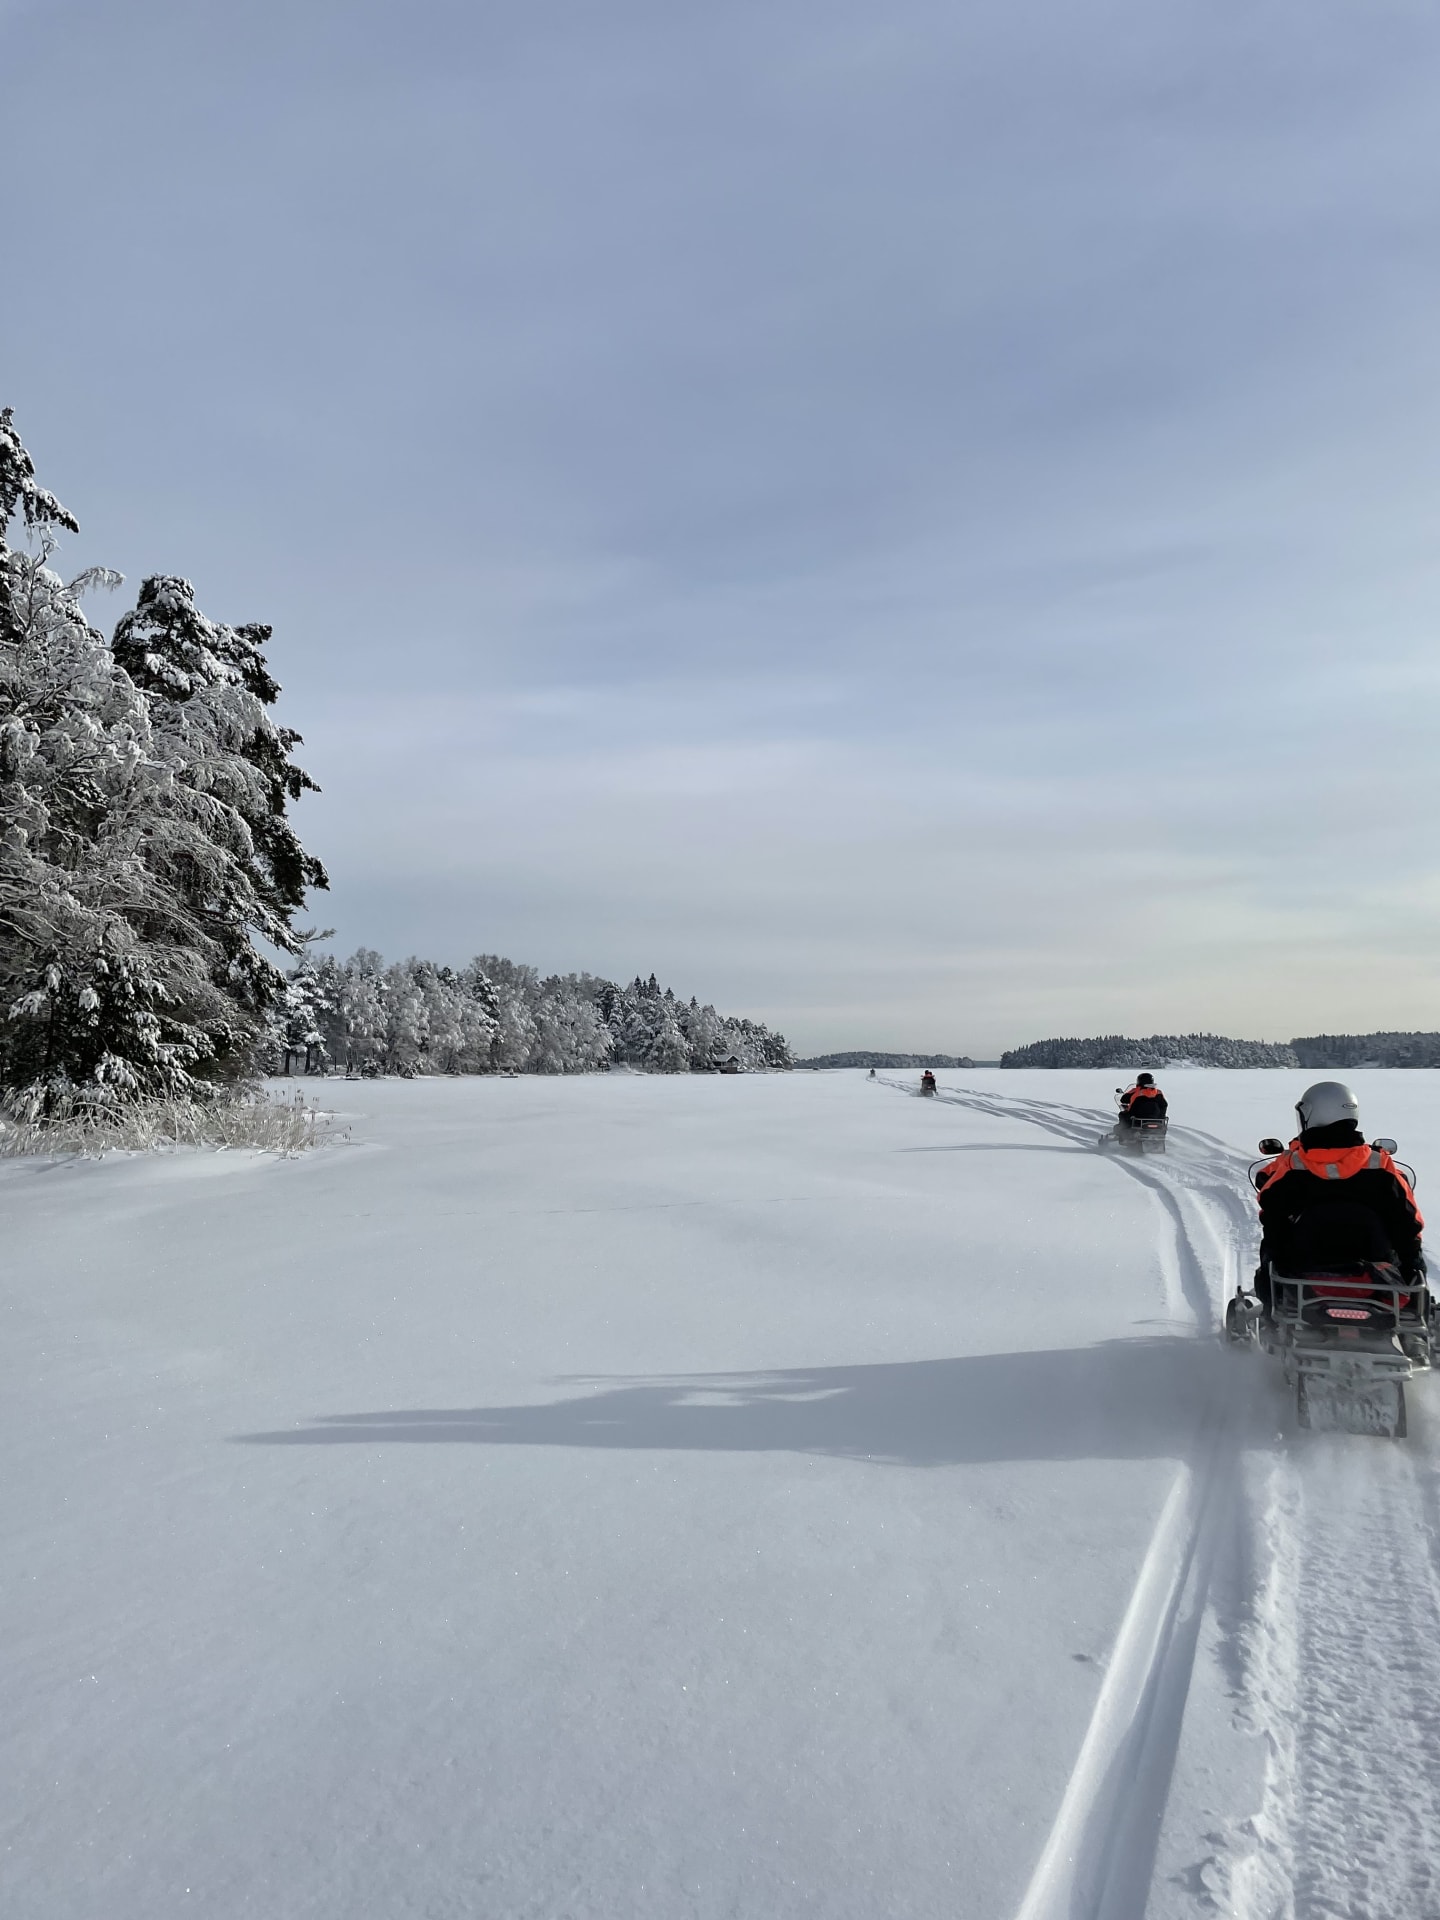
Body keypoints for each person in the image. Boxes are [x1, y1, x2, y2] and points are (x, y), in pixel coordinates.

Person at [1250, 1081, 1425, 1315]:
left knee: (1274, 1243)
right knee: (1409, 1249)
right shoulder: (1380, 1165)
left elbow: (1269, 1206)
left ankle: (1272, 1313)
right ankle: (1414, 1314)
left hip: (1307, 1268)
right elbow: (1410, 1220)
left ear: (1311, 1114)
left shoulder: (1294, 1165)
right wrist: (1411, 1260)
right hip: (1374, 1269)